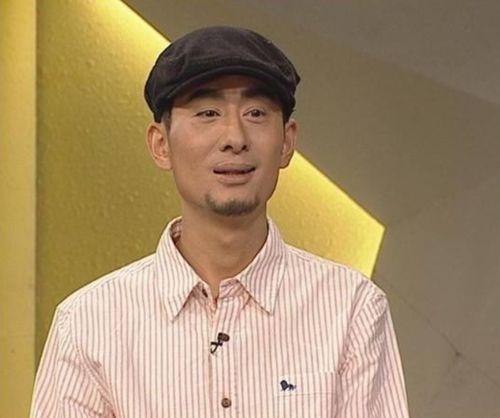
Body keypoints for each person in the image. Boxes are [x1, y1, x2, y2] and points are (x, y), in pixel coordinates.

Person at [30, 26, 409, 417]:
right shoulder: (88, 323)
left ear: (286, 143)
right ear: (161, 145)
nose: (235, 137)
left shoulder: (351, 308)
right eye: (208, 113)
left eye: (256, 113)